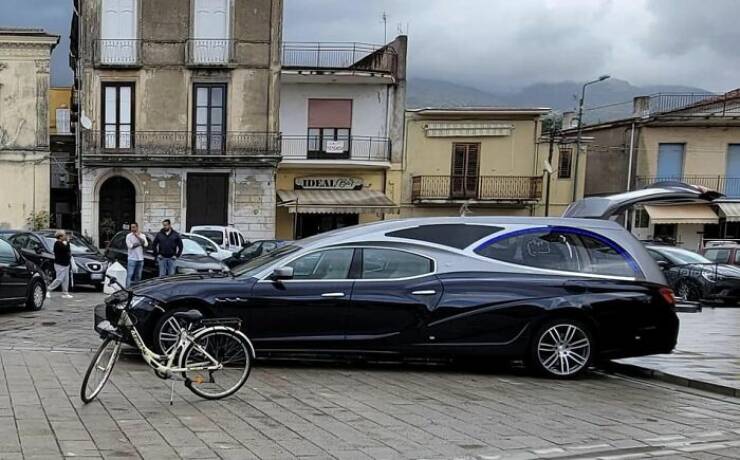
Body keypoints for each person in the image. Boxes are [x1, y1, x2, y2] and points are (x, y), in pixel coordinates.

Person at [46, 230, 73, 299]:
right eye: (64, 235)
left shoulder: (64, 243)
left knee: (66, 279)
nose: (65, 236)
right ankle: (48, 290)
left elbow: (68, 250)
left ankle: (65, 293)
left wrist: (67, 242)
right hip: (60, 264)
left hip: (66, 263)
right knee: (59, 279)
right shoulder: (57, 243)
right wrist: (67, 241)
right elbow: (65, 249)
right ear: (60, 237)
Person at [126, 222, 148, 287]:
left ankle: (136, 290)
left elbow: (146, 244)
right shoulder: (128, 236)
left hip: (140, 259)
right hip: (131, 259)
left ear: (137, 227)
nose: (132, 229)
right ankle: (127, 289)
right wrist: (140, 243)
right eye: (131, 227)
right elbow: (130, 246)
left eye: (133, 227)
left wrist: (137, 236)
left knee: (138, 276)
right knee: (130, 275)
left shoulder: (142, 235)